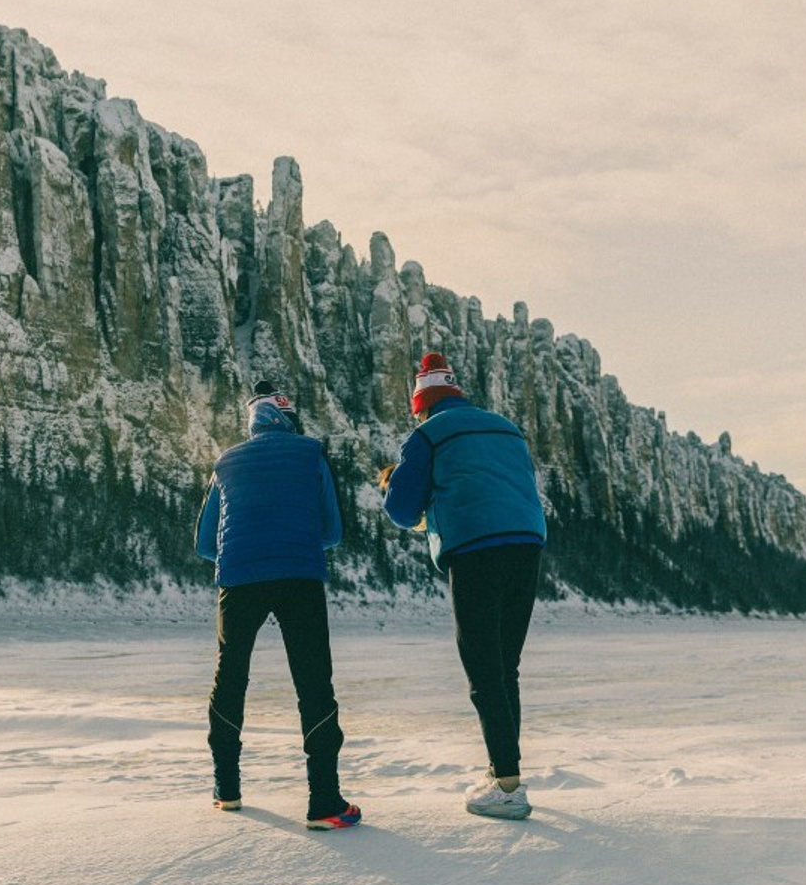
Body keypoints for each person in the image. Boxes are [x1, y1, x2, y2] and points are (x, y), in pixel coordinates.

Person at [382, 352, 547, 820]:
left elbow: (400, 509)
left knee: (482, 670)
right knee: (505, 665)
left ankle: (509, 787)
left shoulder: (427, 435)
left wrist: (399, 487)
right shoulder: (507, 428)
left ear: (422, 403)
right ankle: (502, 772)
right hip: (527, 544)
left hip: (476, 550)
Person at [195, 380, 360, 830]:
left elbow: (205, 542)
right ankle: (324, 801)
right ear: (287, 415)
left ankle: (226, 788)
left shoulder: (225, 461)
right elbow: (333, 531)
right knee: (313, 681)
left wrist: (244, 549)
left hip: (238, 577)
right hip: (298, 574)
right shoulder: (311, 453)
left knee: (230, 676)